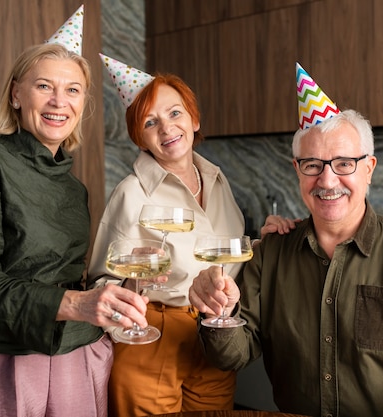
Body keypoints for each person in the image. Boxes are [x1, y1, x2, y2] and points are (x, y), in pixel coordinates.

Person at [189, 64, 383, 417]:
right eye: (313, 164)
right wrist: (218, 314)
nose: (327, 181)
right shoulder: (272, 253)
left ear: (369, 168)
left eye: (344, 164)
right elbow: (231, 355)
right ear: (298, 170)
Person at [0, 10, 149, 417]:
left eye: (73, 90)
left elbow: (66, 277)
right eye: (44, 86)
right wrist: (78, 304)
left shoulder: (73, 187)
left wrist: (118, 291)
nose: (59, 101)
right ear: (16, 94)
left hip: (76, 354)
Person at [87, 54, 250, 416]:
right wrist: (133, 287)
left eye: (175, 113)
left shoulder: (218, 181)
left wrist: (265, 241)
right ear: (140, 138)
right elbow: (99, 282)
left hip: (213, 335)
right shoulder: (131, 193)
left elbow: (226, 253)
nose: (166, 128)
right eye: (150, 122)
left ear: (193, 118)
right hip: (151, 336)